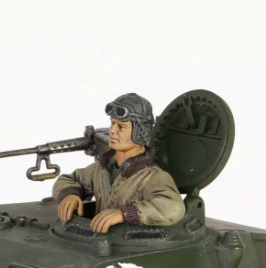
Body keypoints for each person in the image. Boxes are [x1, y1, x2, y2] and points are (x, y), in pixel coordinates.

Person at [53, 93, 185, 232]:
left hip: (130, 241)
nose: (112, 130)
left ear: (140, 132)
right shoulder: (101, 169)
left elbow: (174, 208)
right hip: (97, 238)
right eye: (112, 123)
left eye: (121, 126)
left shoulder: (153, 177)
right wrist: (71, 194)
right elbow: (68, 179)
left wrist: (125, 213)